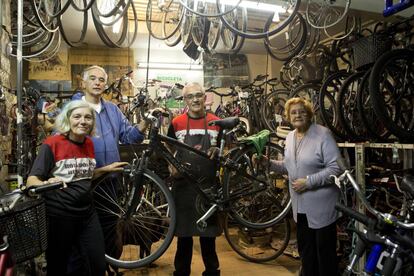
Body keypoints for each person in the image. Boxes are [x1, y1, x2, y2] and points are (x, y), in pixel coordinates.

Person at [27, 100, 127, 276]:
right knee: (59, 265)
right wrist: (45, 183)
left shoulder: (88, 143)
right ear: (68, 119)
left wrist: (105, 170)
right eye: (77, 116)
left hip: (87, 213)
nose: (83, 121)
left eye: (88, 117)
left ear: (92, 123)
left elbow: (81, 175)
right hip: (60, 214)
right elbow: (32, 180)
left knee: (97, 263)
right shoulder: (53, 143)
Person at [255, 97, 341, 276]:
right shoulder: (291, 137)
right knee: (306, 253)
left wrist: (309, 181)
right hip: (300, 208)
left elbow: (336, 168)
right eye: (293, 112)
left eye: (302, 111)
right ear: (288, 116)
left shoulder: (323, 134)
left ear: (309, 114)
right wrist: (267, 163)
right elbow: (289, 167)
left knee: (325, 256)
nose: (298, 115)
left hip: (322, 207)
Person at [72, 65, 149, 262]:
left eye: (101, 79)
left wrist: (144, 123)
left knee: (108, 234)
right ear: (83, 82)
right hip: (82, 185)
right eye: (93, 78)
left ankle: (106, 268)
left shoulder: (112, 110)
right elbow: (62, 148)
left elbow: (129, 136)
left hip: (110, 185)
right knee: (82, 237)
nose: (98, 82)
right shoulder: (73, 110)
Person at [167, 82, 222, 276]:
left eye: (199, 95)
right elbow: (170, 150)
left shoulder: (217, 122)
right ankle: (181, 273)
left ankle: (212, 272)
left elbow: (228, 151)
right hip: (183, 186)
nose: (196, 99)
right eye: (190, 96)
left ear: (205, 97)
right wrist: (171, 166)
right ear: (185, 100)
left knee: (208, 238)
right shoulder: (176, 123)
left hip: (208, 188)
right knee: (184, 237)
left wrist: (221, 151)